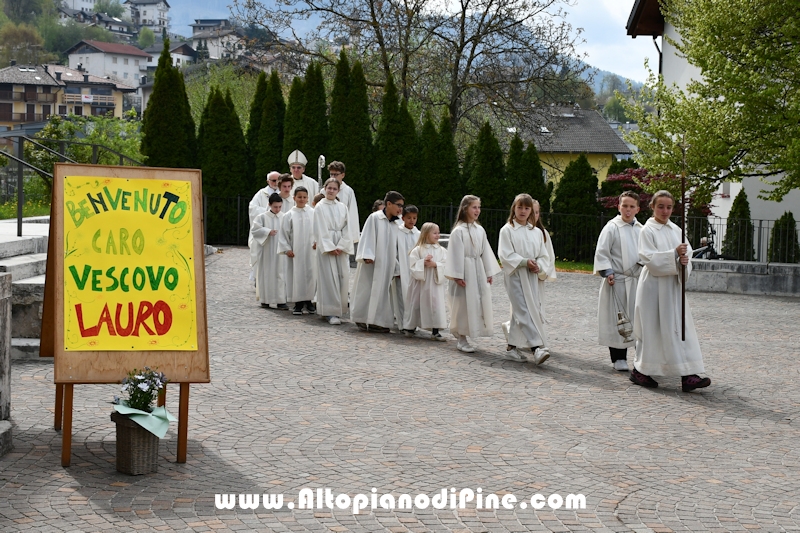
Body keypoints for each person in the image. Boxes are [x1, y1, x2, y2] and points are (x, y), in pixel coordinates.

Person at [630, 190, 711, 392]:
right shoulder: (647, 230)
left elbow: (687, 254)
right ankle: (641, 370)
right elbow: (648, 258)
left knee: (679, 329)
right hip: (653, 288)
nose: (665, 211)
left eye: (669, 207)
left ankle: (688, 374)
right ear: (652, 207)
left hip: (674, 288)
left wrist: (684, 262)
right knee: (653, 328)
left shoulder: (676, 230)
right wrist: (673, 254)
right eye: (660, 206)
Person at [498, 193, 552, 364]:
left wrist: (539, 266)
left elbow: (543, 255)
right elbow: (505, 254)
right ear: (513, 208)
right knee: (523, 309)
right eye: (519, 207)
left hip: (531, 276)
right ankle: (536, 348)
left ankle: (511, 347)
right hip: (515, 275)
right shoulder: (507, 230)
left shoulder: (536, 232)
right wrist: (524, 262)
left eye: (527, 208)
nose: (523, 211)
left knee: (525, 309)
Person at [593, 191, 643, 371]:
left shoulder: (641, 229)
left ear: (637, 209)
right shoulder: (611, 227)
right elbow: (602, 252)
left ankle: (640, 358)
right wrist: (607, 271)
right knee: (618, 318)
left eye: (631, 206)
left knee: (638, 319)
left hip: (636, 281)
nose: (628, 210)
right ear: (619, 207)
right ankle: (618, 357)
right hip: (618, 281)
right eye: (625, 206)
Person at [444, 195, 501, 353]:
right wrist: (457, 275)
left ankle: (472, 330)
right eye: (474, 207)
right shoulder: (458, 231)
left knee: (476, 302)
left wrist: (488, 272)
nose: (477, 210)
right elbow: (455, 254)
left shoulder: (480, 230)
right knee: (462, 304)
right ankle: (461, 338)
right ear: (465, 209)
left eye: (479, 207)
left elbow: (485, 252)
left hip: (478, 270)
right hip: (464, 272)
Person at [351, 191, 405, 332]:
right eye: (398, 205)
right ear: (389, 204)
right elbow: (367, 235)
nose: (401, 209)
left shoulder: (398, 223)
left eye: (402, 206)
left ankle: (378, 321)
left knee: (383, 292)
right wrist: (367, 254)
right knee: (367, 289)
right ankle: (362, 318)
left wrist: (398, 265)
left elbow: (399, 245)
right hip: (373, 262)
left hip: (388, 263)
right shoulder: (375, 218)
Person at [312, 178, 354, 325]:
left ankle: (338, 309)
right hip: (327, 245)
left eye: (334, 189)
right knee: (328, 278)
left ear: (338, 191)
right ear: (324, 189)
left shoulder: (342, 207)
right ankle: (328, 311)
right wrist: (329, 247)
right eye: (329, 188)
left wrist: (341, 245)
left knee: (342, 276)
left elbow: (347, 227)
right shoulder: (319, 207)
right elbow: (319, 228)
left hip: (340, 245)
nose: (331, 191)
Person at [403, 222, 447, 341]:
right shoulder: (418, 250)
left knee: (435, 306)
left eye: (438, 233)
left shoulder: (442, 250)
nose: (437, 235)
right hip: (420, 284)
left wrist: (435, 264)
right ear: (426, 234)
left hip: (434, 283)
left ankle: (435, 331)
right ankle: (410, 328)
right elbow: (412, 265)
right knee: (416, 304)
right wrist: (422, 262)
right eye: (434, 233)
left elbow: (446, 264)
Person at [279, 186, 316, 315]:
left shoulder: (313, 213)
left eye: (304, 197)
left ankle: (309, 301)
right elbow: (283, 234)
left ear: (308, 198)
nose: (302, 199)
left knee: (310, 275)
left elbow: (318, 229)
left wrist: (317, 242)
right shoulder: (288, 215)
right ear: (294, 198)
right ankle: (298, 303)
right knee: (296, 275)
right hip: (295, 252)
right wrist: (287, 249)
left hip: (310, 251)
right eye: (299, 197)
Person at [249, 193, 288, 310]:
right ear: (269, 205)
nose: (278, 209)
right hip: (266, 250)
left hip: (280, 251)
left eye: (280, 207)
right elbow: (255, 230)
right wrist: (267, 231)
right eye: (275, 207)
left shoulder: (284, 217)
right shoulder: (262, 217)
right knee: (266, 273)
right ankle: (265, 299)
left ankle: (281, 300)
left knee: (280, 274)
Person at [396, 205, 420, 335]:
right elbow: (394, 251)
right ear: (403, 218)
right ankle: (402, 324)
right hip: (401, 269)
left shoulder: (418, 234)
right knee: (401, 297)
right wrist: (397, 269)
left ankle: (412, 323)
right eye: (409, 218)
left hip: (413, 271)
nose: (412, 220)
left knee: (413, 297)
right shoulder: (397, 232)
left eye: (414, 218)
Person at [533, 199, 556, 320]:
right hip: (523, 276)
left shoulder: (543, 233)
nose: (534, 215)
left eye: (536, 212)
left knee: (537, 307)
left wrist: (543, 272)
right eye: (532, 212)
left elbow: (549, 256)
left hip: (538, 276)